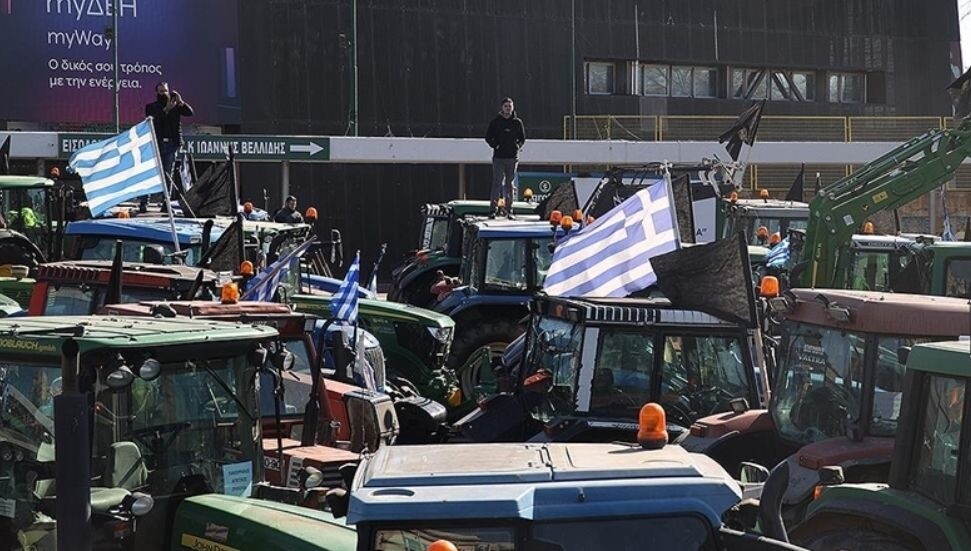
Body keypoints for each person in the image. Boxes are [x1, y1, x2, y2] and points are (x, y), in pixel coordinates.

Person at [485, 97, 526, 219]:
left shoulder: (517, 123)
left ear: (513, 108)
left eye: (510, 106)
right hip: (499, 157)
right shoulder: (495, 122)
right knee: (497, 183)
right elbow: (488, 137)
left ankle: (509, 210)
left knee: (509, 184)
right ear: (502, 108)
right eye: (506, 106)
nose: (508, 108)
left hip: (512, 157)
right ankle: (493, 209)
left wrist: (517, 146)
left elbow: (522, 138)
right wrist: (495, 145)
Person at [145, 82, 194, 181]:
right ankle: (157, 195)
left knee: (168, 171)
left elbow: (190, 113)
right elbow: (152, 121)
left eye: (165, 91)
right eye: (161, 91)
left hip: (172, 143)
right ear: (157, 92)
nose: (163, 93)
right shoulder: (151, 107)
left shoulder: (176, 106)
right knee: (157, 171)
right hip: (158, 143)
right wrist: (166, 110)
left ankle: (166, 196)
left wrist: (181, 102)